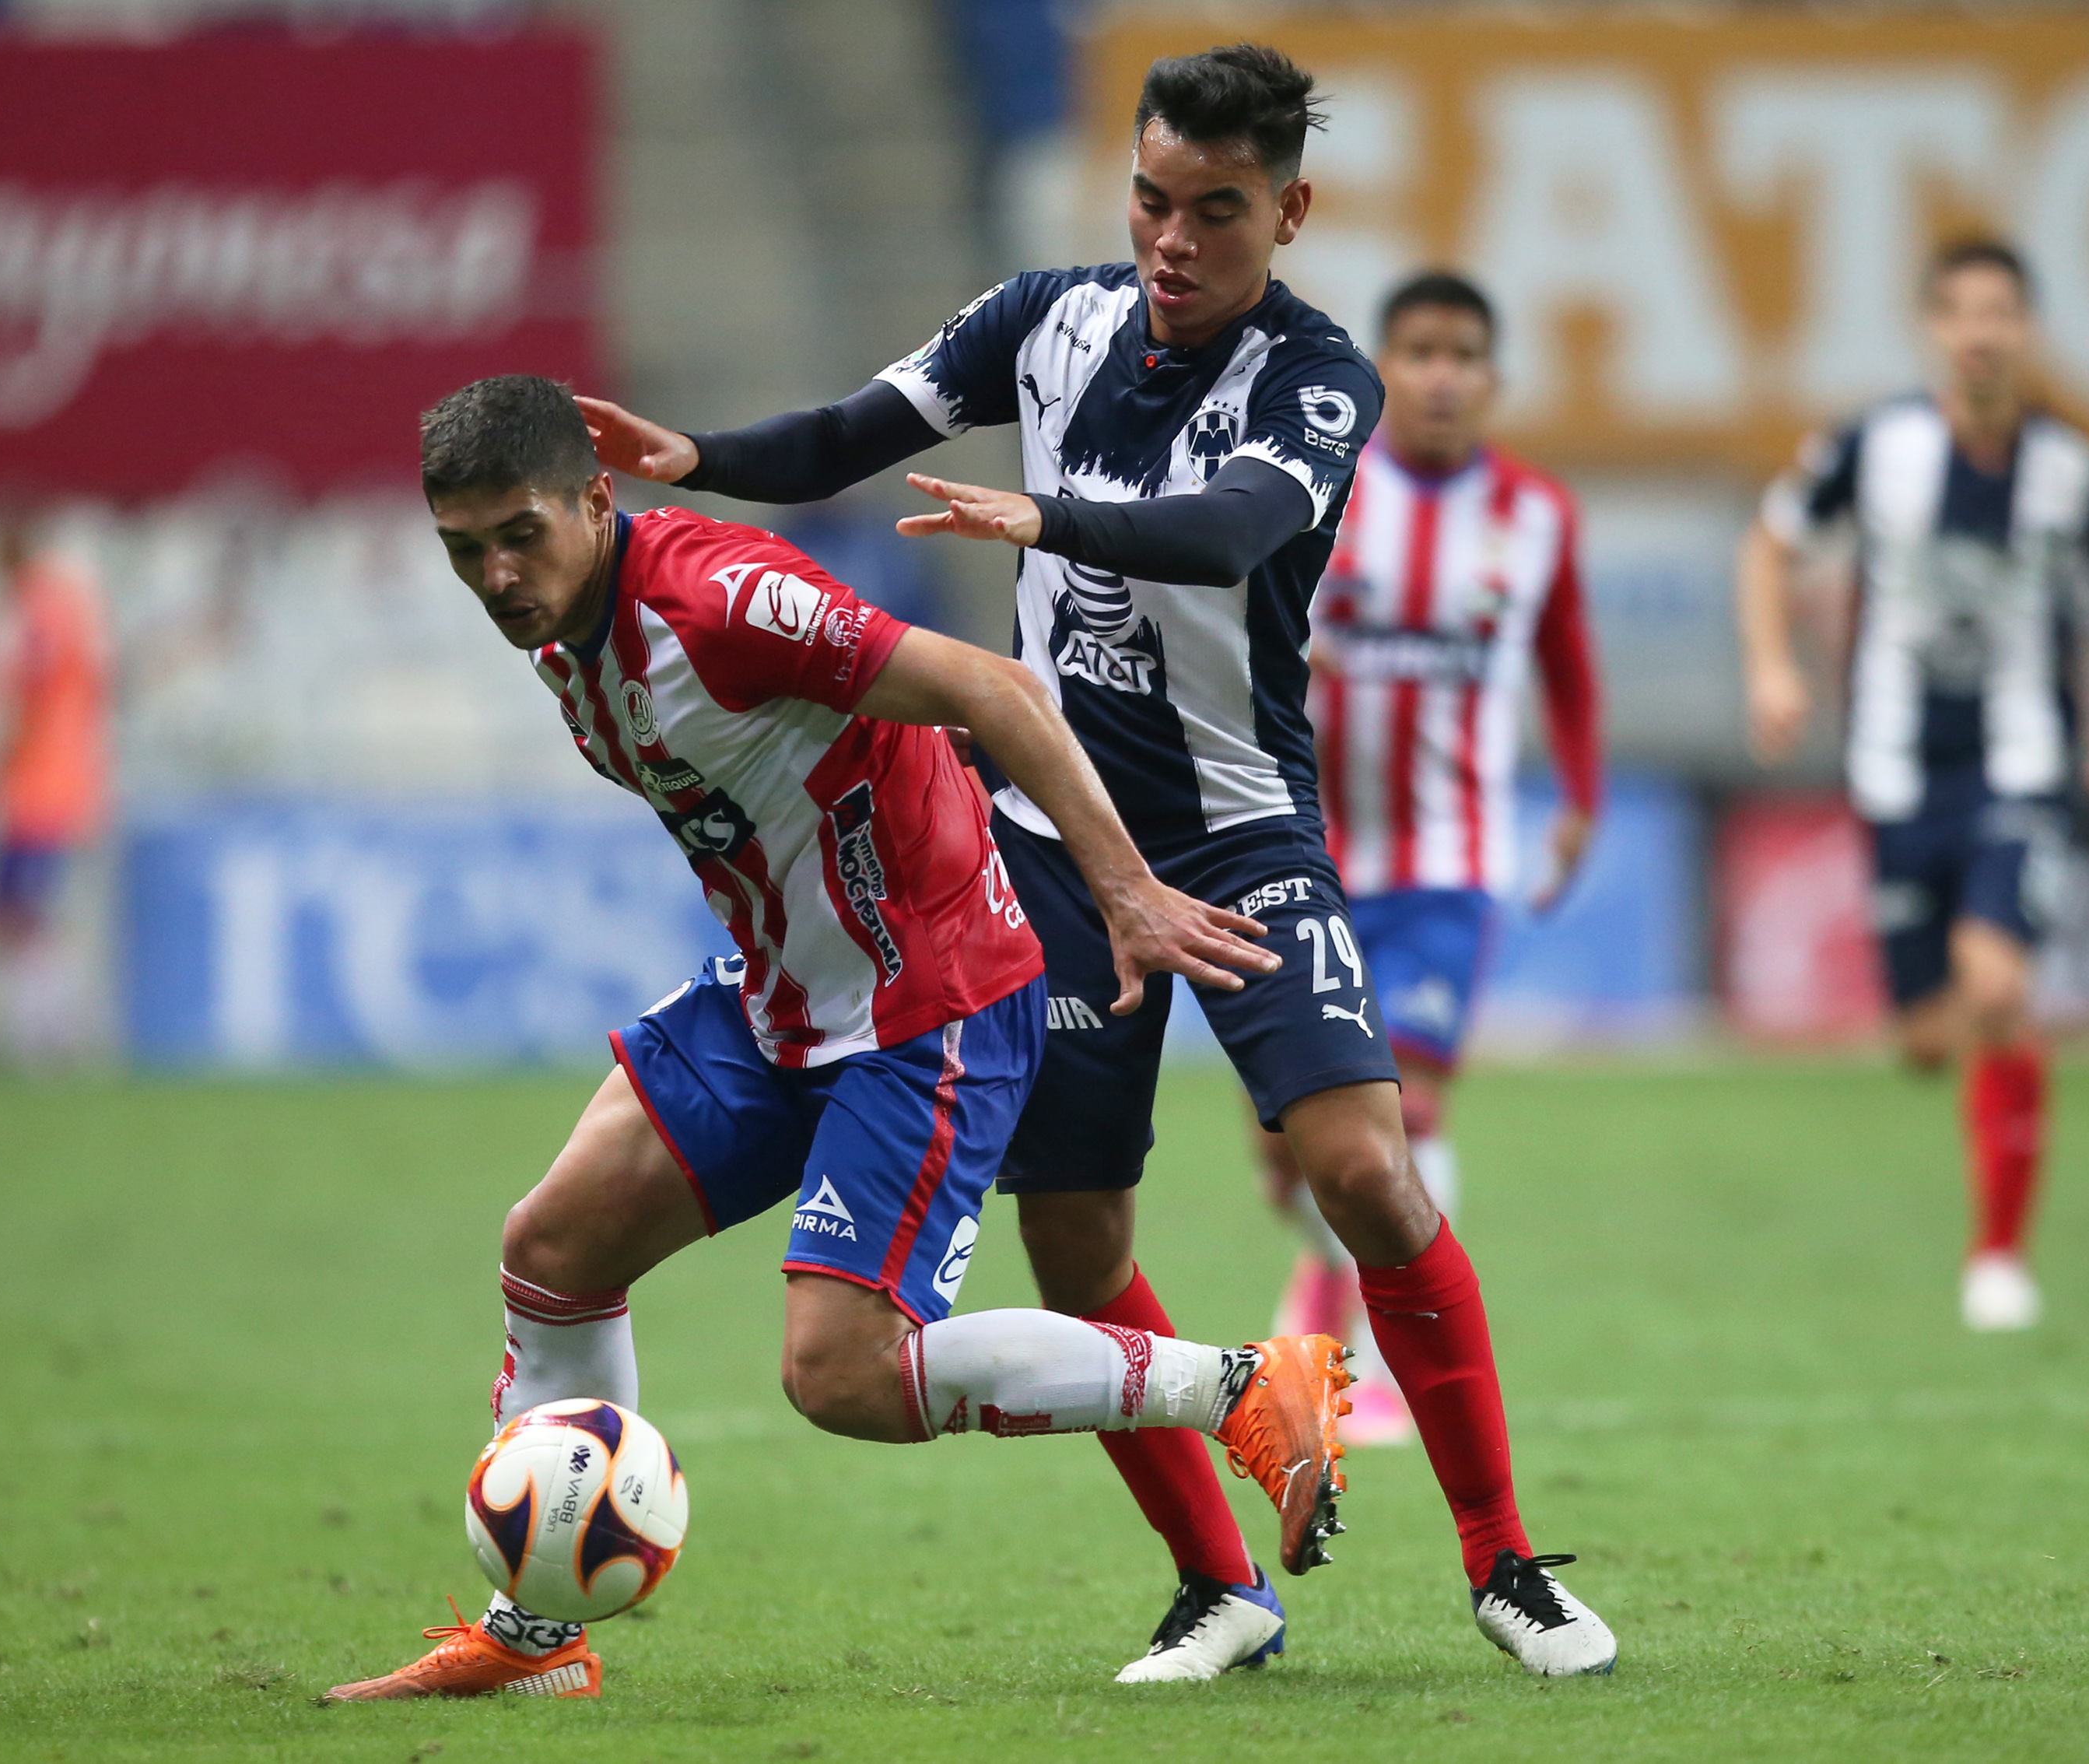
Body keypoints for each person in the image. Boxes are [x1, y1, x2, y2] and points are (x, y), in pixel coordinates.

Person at [574, 44, 1618, 1680]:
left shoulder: (1317, 378)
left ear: (1289, 209)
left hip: (1241, 825)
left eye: (1217, 209)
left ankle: (1501, 1560)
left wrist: (1041, 524)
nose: (1173, 237)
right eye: (1150, 197)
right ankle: (1221, 1586)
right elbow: (859, 425)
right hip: (1046, 847)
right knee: (1078, 1238)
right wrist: (697, 458)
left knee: (1362, 1168)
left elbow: (1224, 532)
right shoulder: (1044, 319)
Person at [328, 377, 1348, 1702]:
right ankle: (539, 1635)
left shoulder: (721, 600)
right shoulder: (566, 634)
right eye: (465, 550)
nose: (496, 574)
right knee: (555, 1246)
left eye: (520, 533)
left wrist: (1127, 891)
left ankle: (1245, 1386)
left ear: (597, 499)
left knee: (843, 1375)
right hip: (781, 996)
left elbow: (994, 690)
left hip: (927, 1004)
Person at [1736, 237, 2089, 1332]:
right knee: (1929, 1040)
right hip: (1894, 769)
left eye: (2001, 313)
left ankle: (1999, 1255)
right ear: (1935, 328)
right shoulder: (1877, 445)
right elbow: (1769, 545)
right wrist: (1774, 666)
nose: (1981, 332)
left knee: (1998, 987)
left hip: (2022, 761)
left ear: (2026, 329)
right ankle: (1965, 1104)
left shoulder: (2074, 470)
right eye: (1962, 312)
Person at [1253, 271, 1600, 1448]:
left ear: (1494, 376)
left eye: (1465, 353)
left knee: (1409, 1099)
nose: (1443, 374)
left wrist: (1582, 795)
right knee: (1293, 1142)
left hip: (1451, 861)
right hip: (1305, 852)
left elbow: (1566, 658)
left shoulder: (1536, 514)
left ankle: (1388, 1359)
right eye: (1420, 350)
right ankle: (1319, 1288)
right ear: (1385, 367)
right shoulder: (1322, 494)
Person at [0, 517, 111, 1068]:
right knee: (14, 913)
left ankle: (52, 1028)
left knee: (22, 912)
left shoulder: (36, 608)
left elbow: (29, 700)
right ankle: (50, 1021)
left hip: (39, 785)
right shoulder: (70, 601)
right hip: (56, 780)